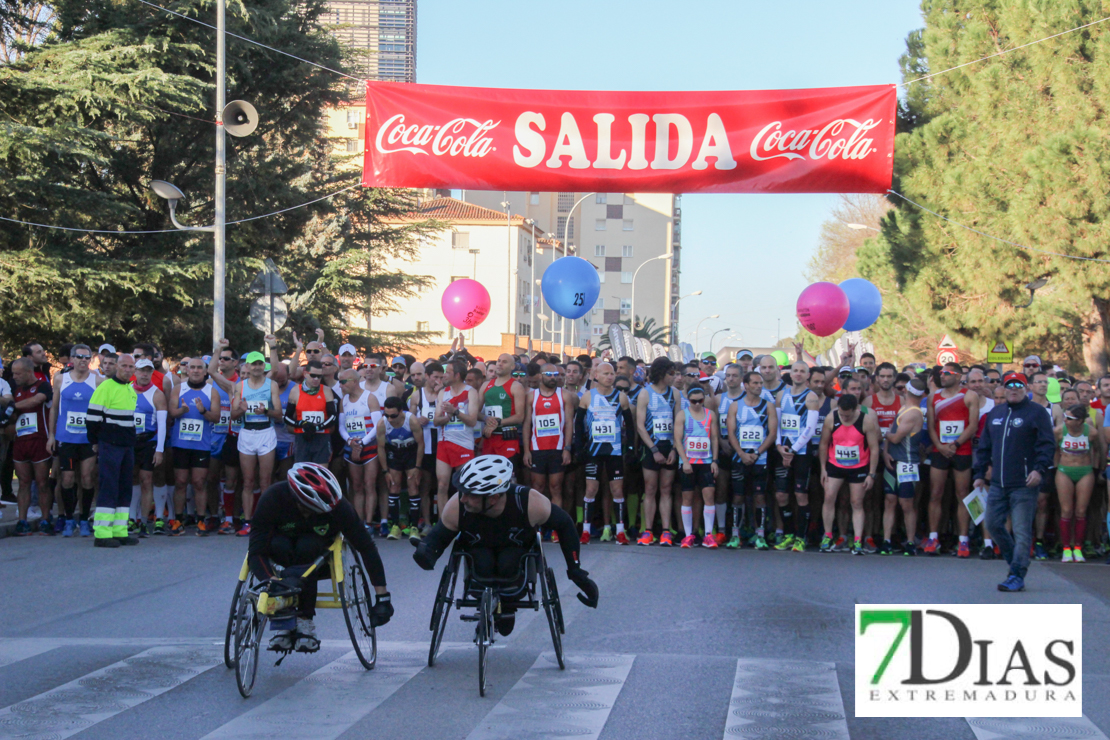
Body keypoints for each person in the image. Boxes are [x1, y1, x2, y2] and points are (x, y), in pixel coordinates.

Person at [411, 455, 598, 636]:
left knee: (508, 562)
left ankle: (507, 605)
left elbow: (565, 524)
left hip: (516, 556)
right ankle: (487, 607)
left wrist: (576, 571)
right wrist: (426, 553)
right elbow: (438, 538)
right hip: (478, 554)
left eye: (470, 495)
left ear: (493, 497)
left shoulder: (528, 502)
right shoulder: (457, 507)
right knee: (483, 563)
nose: (463, 499)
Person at [248, 463, 392, 652]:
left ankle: (305, 619)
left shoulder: (339, 506)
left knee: (307, 545)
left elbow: (366, 547)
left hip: (317, 559)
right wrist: (270, 581)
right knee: (279, 545)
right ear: (297, 500)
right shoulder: (273, 499)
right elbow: (256, 552)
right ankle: (283, 623)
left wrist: (383, 597)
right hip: (279, 557)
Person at [975, 372, 1056, 592]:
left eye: (1018, 385)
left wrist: (1039, 470)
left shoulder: (1037, 413)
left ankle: (1016, 575)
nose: (1013, 389)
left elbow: (1047, 445)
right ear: (1003, 387)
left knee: (1021, 531)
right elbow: (984, 446)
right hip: (998, 483)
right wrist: (979, 474)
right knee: (992, 524)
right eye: (1009, 385)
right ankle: (1016, 562)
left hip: (1024, 484)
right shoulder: (996, 413)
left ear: (1026, 387)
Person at [925, 362, 980, 558]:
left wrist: (955, 445)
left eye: (947, 373)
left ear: (958, 375)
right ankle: (933, 537)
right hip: (940, 450)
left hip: (961, 450)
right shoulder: (933, 397)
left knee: (963, 494)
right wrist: (940, 446)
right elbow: (931, 425)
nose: (943, 376)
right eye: (941, 373)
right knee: (936, 493)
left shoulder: (969, 396)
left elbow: (973, 426)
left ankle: (963, 540)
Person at [85, 354, 139, 548]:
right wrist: (96, 442)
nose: (127, 369)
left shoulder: (130, 389)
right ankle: (102, 533)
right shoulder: (105, 387)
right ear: (117, 367)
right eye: (124, 365)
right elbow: (92, 419)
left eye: (131, 366)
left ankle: (119, 530)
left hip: (126, 445)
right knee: (109, 486)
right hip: (110, 444)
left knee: (125, 487)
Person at [818, 393, 881, 555]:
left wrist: (871, 474)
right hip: (835, 465)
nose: (844, 418)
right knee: (829, 497)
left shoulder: (866, 420)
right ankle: (828, 535)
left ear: (855, 410)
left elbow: (874, 449)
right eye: (841, 414)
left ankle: (858, 540)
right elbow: (824, 444)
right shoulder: (831, 418)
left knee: (857, 502)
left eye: (848, 415)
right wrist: (823, 469)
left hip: (859, 467)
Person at [47, 343, 100, 537]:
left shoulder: (98, 381)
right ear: (72, 359)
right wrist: (51, 435)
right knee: (67, 479)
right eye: (79, 357)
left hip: (88, 440)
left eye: (87, 357)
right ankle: (69, 519)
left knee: (87, 478)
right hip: (66, 439)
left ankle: (84, 519)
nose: (83, 361)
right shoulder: (60, 379)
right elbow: (54, 408)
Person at [230, 347, 283, 534]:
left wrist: (266, 411)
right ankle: (248, 521)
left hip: (266, 432)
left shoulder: (271, 385)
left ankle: (266, 520)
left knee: (265, 481)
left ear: (264, 365)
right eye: (254, 364)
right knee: (248, 481)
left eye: (260, 363)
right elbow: (233, 416)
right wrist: (242, 409)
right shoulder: (240, 386)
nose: (257, 367)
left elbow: (279, 414)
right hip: (247, 434)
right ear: (247, 366)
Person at [167, 358, 222, 535]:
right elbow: (171, 413)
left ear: (205, 372)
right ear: (187, 371)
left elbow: (216, 418)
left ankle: (200, 521)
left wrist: (203, 411)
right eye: (193, 368)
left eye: (200, 368)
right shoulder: (178, 389)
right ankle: (178, 520)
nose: (196, 371)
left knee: (199, 483)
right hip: (180, 444)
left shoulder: (211, 392)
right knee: (181, 482)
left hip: (201, 445)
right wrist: (182, 411)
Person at [578, 362, 630, 544]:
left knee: (617, 490)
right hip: (594, 451)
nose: (610, 377)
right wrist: (579, 448)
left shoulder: (621, 397)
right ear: (596, 376)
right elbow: (578, 424)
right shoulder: (587, 397)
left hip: (614, 452)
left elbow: (629, 425)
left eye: (612, 373)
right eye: (606, 373)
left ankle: (621, 531)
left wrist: (629, 448)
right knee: (591, 489)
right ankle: (585, 530)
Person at [773, 361, 822, 552]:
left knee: (801, 495)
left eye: (803, 371)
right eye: (796, 371)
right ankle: (788, 535)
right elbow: (776, 424)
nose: (799, 374)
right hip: (782, 451)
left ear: (808, 375)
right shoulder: (781, 395)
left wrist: (792, 450)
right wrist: (778, 445)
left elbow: (809, 429)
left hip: (800, 453)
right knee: (781, 495)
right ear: (790, 374)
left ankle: (801, 538)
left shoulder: (811, 397)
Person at [726, 371, 778, 549]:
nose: (758, 386)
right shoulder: (735, 406)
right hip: (739, 458)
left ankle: (760, 535)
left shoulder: (768, 406)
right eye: (755, 383)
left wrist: (757, 452)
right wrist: (740, 453)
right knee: (738, 497)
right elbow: (731, 433)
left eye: (760, 383)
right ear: (746, 385)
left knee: (759, 497)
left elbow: (772, 433)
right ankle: (735, 535)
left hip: (760, 459)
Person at [521, 363, 576, 524]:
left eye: (556, 374)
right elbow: (526, 425)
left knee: (556, 488)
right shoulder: (531, 396)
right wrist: (526, 450)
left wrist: (567, 448)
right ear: (540, 376)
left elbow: (569, 424)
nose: (553, 377)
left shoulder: (565, 395)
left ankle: (555, 525)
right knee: (537, 488)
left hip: (557, 448)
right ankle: (538, 524)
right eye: (549, 374)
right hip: (537, 448)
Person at [635, 358, 679, 546]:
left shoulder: (675, 394)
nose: (674, 377)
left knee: (666, 489)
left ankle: (666, 531)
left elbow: (679, 424)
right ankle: (648, 530)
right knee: (650, 489)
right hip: (651, 447)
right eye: (671, 374)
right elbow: (640, 425)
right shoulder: (645, 393)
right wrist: (653, 450)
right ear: (661, 373)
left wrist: (675, 450)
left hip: (669, 446)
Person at [880, 376, 926, 556]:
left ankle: (910, 541)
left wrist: (883, 434)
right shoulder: (904, 408)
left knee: (907, 504)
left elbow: (896, 437)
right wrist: (885, 452)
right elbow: (894, 435)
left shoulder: (913, 413)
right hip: (894, 462)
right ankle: (887, 540)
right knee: (889, 501)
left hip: (907, 464)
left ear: (906, 390)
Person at [9, 358, 53, 535]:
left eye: (17, 373)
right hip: (21, 441)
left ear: (28, 372)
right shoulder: (16, 390)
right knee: (23, 482)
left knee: (42, 482)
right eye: (13, 373)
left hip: (39, 440)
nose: (14, 377)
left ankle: (45, 519)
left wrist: (10, 406)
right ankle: (22, 521)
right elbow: (11, 417)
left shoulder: (43, 386)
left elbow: (35, 401)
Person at [674, 385, 719, 548]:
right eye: (694, 401)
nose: (698, 404)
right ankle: (688, 535)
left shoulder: (710, 414)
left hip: (706, 462)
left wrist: (715, 460)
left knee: (709, 496)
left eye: (701, 400)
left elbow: (714, 438)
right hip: (689, 463)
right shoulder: (683, 415)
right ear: (689, 400)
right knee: (687, 497)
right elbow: (678, 439)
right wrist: (684, 461)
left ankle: (708, 534)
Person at [1055, 404, 1101, 563]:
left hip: (1085, 471)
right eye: (1065, 417)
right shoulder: (1060, 431)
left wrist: (1096, 469)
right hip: (1064, 471)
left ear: (1080, 421)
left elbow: (1098, 450)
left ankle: (1078, 548)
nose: (1066, 420)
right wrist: (1056, 467)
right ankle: (1066, 548)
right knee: (1066, 510)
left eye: (1070, 418)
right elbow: (1053, 449)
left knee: (1081, 511)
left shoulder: (1092, 432)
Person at [433, 359, 480, 516]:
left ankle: (465, 519)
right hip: (444, 442)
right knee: (441, 485)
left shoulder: (470, 392)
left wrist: (455, 412)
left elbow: (472, 420)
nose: (444, 375)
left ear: (457, 375)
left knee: (464, 485)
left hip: (463, 444)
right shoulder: (443, 393)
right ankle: (443, 520)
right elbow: (436, 421)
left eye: (448, 372)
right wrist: (446, 418)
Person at [337, 368, 381, 530]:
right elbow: (341, 427)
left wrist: (362, 442)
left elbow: (378, 425)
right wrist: (350, 441)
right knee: (356, 486)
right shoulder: (344, 401)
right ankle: (358, 523)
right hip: (351, 446)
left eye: (343, 381)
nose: (340, 385)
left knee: (369, 484)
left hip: (368, 447)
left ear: (354, 381)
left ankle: (368, 523)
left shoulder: (369, 398)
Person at [376, 396, 424, 539]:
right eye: (387, 415)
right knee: (394, 486)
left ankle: (414, 527)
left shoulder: (412, 421)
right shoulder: (382, 423)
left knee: (413, 486)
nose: (390, 419)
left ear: (401, 411)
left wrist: (418, 467)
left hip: (411, 452)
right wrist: (385, 471)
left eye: (393, 416)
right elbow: (381, 448)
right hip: (394, 452)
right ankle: (395, 526)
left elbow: (421, 444)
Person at [130, 358, 167, 537]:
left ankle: (144, 521)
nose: (144, 374)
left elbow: (162, 424)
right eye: (141, 370)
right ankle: (131, 518)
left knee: (146, 480)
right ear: (135, 372)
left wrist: (159, 449)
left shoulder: (157, 394)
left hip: (148, 442)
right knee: (131, 479)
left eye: (148, 371)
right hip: (129, 441)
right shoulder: (126, 390)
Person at [409, 361, 442, 537]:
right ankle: (428, 522)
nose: (438, 380)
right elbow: (410, 417)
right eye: (435, 377)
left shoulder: (444, 394)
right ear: (427, 376)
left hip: (443, 444)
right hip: (425, 445)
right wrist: (417, 419)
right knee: (426, 485)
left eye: (441, 377)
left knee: (443, 485)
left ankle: (442, 521)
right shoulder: (417, 396)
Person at [285, 360, 337, 465]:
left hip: (321, 437)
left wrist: (317, 427)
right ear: (305, 374)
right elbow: (287, 417)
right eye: (313, 375)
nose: (316, 379)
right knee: (303, 474)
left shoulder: (326, 390)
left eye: (319, 376)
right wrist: (301, 424)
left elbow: (333, 417)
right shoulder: (295, 391)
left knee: (320, 474)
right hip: (302, 437)